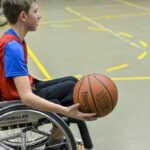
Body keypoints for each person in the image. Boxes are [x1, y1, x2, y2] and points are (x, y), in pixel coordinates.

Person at [0, 0, 97, 149]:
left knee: (72, 81)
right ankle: (55, 143)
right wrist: (65, 111)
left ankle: (57, 137)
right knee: (71, 90)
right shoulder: (13, 48)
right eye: (36, 11)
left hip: (16, 93)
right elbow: (26, 97)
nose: (40, 16)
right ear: (23, 16)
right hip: (16, 100)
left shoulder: (11, 38)